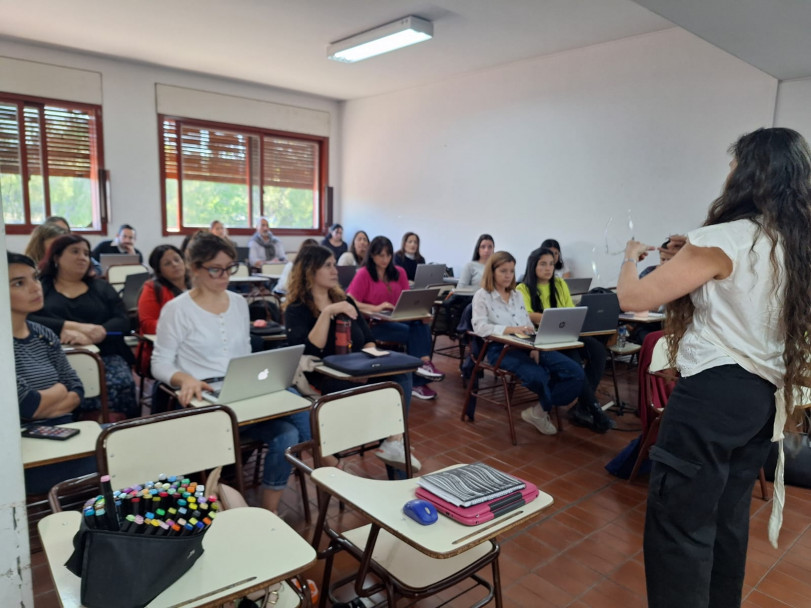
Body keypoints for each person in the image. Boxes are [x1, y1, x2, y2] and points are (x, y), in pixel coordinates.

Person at [616, 127, 811, 608]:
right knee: (727, 522)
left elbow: (633, 297)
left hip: (713, 399)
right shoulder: (792, 245)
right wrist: (687, 252)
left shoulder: (725, 238)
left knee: (679, 528)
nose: (727, 173)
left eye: (732, 164)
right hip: (760, 403)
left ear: (748, 172)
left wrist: (629, 259)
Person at [151, 232, 309, 513]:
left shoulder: (238, 303)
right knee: (298, 407)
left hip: (242, 391)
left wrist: (259, 375)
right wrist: (186, 378)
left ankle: (268, 510)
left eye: (230, 268)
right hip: (207, 401)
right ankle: (328, 463)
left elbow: (244, 354)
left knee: (288, 430)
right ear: (195, 268)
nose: (224, 276)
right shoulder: (177, 310)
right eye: (216, 269)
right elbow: (159, 363)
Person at [284, 245, 419, 470]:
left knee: (400, 378)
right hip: (323, 378)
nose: (335, 271)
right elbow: (310, 350)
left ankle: (394, 441)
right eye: (327, 266)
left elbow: (368, 339)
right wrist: (328, 312)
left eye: (333, 265)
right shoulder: (296, 309)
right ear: (310, 270)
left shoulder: (346, 300)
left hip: (359, 370)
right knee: (384, 404)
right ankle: (390, 438)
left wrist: (367, 366)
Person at [471, 251, 585, 436]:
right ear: (492, 272)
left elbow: (528, 323)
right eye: (503, 271)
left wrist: (535, 346)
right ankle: (542, 410)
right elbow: (480, 327)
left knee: (576, 372)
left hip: (527, 344)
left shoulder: (516, 295)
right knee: (540, 377)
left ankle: (539, 411)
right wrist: (510, 329)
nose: (508, 275)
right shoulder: (482, 295)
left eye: (511, 271)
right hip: (500, 349)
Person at [9, 251, 95, 494]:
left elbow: (77, 390)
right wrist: (59, 392)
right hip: (24, 454)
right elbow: (28, 405)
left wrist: (48, 402)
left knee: (124, 443)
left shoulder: (43, 334)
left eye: (34, 278)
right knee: (115, 462)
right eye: (18, 283)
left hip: (65, 435)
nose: (35, 288)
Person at [29, 235, 138, 420]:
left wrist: (98, 333)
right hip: (53, 357)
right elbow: (28, 317)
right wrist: (67, 327)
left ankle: (108, 429)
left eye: (86, 253)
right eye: (75, 251)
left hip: (105, 353)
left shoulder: (101, 287)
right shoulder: (42, 287)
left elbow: (123, 320)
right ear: (56, 257)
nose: (83, 257)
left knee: (120, 383)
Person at [516, 247, 613, 432]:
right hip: (543, 338)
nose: (548, 268)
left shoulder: (560, 284)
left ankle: (584, 405)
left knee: (598, 351)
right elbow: (526, 315)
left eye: (551, 264)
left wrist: (563, 318)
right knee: (574, 360)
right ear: (532, 266)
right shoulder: (522, 288)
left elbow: (570, 310)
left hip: (566, 333)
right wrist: (550, 317)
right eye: (543, 264)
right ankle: (594, 408)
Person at [347, 236, 444, 400]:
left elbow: (409, 299)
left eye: (388, 255)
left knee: (421, 323)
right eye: (380, 255)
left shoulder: (399, 272)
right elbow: (350, 301)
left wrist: (422, 313)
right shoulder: (364, 274)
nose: (385, 259)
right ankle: (420, 374)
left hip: (399, 318)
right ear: (372, 255)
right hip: (375, 323)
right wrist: (375, 308)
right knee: (414, 331)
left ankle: (421, 369)